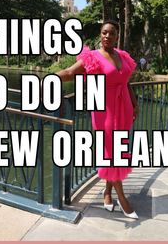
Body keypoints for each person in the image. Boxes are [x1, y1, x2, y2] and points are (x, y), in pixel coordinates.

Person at [57, 20, 139, 219]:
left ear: (117, 36)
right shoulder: (92, 57)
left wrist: (135, 105)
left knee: (119, 148)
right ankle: (122, 198)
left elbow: (125, 82)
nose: (107, 36)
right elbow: (69, 73)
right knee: (111, 152)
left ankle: (107, 192)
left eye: (111, 33)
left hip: (124, 109)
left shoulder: (123, 56)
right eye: (104, 33)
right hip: (105, 111)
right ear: (100, 35)